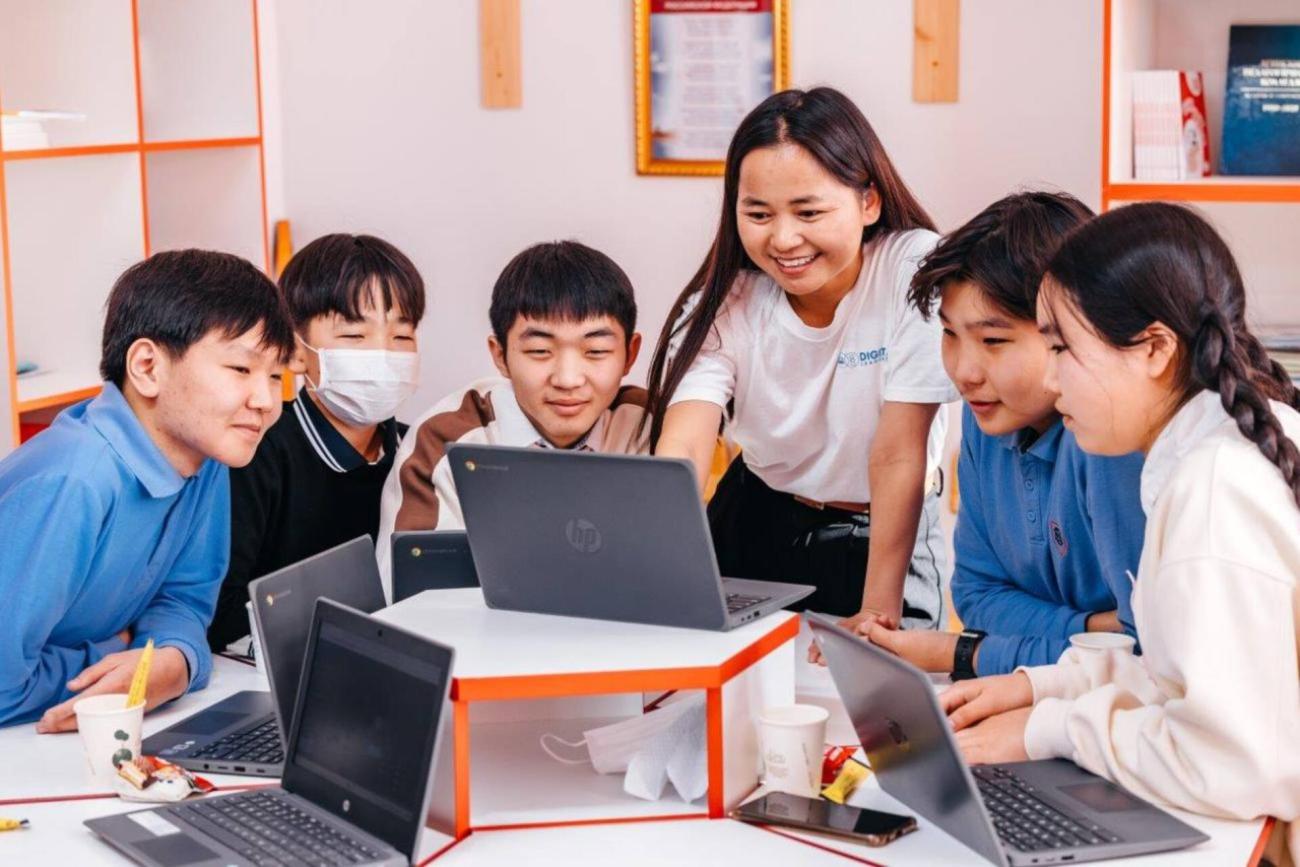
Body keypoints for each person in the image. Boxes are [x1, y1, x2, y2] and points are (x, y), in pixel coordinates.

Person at [941, 203, 1299, 858]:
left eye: (1061, 349)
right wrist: (1042, 686)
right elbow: (1175, 678)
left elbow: (1231, 765)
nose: (1049, 378)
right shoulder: (1207, 455)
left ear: (1155, 349)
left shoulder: (1213, 493)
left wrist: (1051, 727)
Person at [645, 87, 955, 639]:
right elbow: (685, 448)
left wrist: (878, 610)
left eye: (809, 212)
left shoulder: (913, 270)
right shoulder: (726, 301)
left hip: (885, 526)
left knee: (879, 682)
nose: (784, 239)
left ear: (869, 202)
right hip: (755, 514)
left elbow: (897, 454)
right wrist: (660, 570)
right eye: (758, 214)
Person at [0, 250, 293, 729]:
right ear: (147, 367)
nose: (265, 400)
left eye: (277, 375)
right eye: (241, 370)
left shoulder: (207, 456)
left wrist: (173, 660)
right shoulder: (73, 484)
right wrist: (119, 655)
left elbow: (186, 599)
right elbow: (2, 685)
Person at [867, 192, 1145, 677]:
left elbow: (1144, 649)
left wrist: (971, 653)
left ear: (1072, 330)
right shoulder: (989, 417)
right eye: (949, 334)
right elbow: (977, 597)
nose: (964, 372)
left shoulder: (1113, 440)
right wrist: (1092, 630)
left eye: (993, 341)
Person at [375, 240, 649, 596]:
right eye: (540, 351)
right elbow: (414, 597)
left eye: (596, 351)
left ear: (630, 354)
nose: (568, 379)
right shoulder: (446, 439)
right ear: (500, 355)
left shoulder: (650, 426)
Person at [208, 233, 425, 651]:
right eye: (354, 336)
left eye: (401, 337)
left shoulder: (418, 449)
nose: (382, 355)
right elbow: (220, 614)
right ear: (294, 351)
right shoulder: (254, 452)